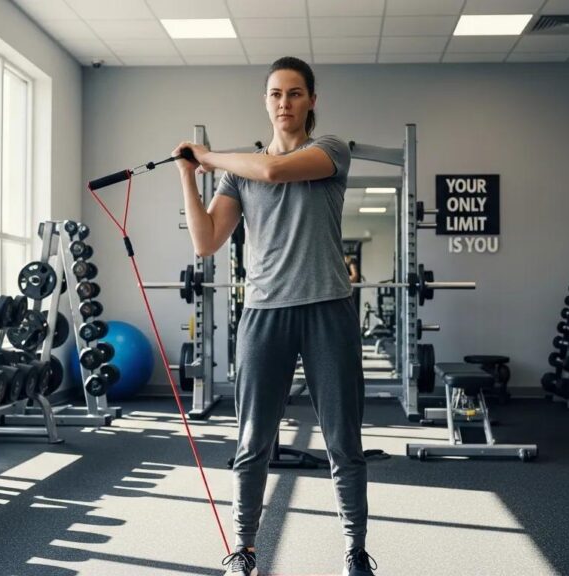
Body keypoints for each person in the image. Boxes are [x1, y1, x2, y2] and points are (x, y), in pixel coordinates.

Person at [172, 56, 376, 576]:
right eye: (275, 94)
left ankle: (355, 551)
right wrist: (187, 176)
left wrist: (211, 156)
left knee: (343, 440)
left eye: (294, 93)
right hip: (264, 313)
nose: (284, 103)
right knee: (252, 439)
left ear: (311, 100)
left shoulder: (328, 151)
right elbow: (205, 242)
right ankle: (244, 548)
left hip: (328, 308)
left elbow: (272, 169)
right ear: (265, 101)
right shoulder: (238, 177)